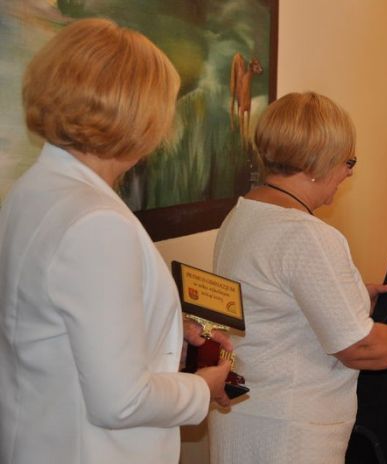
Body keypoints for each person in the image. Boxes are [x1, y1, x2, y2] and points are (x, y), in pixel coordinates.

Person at [0, 18, 233, 464]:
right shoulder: (97, 223)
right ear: (139, 117)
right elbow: (121, 402)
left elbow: (58, 329)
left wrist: (166, 334)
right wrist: (202, 389)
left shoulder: (32, 190)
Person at [208, 91, 387, 464]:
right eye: (347, 161)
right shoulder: (306, 234)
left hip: (245, 418)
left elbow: (272, 305)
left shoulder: (244, 214)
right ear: (317, 162)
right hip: (288, 434)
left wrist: (354, 296)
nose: (349, 172)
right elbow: (359, 347)